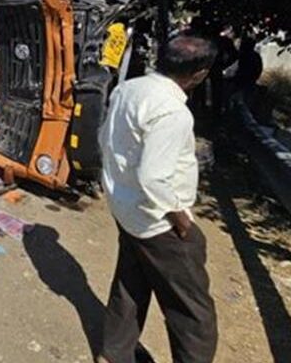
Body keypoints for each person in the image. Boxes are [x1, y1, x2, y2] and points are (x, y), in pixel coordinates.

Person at [97, 35, 218, 363]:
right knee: (194, 314)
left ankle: (114, 353)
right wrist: (180, 218)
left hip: (126, 207)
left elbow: (105, 138)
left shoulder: (129, 89)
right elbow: (153, 176)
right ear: (199, 75)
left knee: (130, 285)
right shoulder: (173, 113)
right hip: (157, 220)